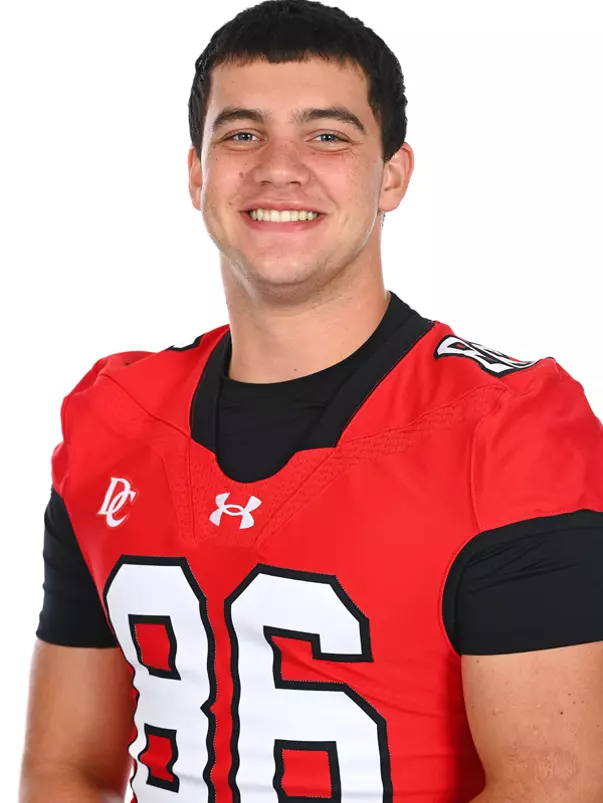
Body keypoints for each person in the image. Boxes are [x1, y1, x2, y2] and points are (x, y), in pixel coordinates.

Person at [19, 1, 603, 801]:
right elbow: (65, 769)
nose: (277, 168)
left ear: (392, 174)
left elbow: (554, 788)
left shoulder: (507, 426)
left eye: (327, 135)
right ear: (196, 173)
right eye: (241, 134)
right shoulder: (112, 416)